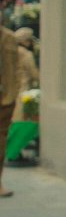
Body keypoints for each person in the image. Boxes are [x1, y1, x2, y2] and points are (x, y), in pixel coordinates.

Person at [0, 12, 20, 197]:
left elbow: (16, 67)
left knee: (1, 142)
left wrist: (14, 93)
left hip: (5, 98)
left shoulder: (9, 38)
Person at [13, 27, 39, 121]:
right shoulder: (26, 54)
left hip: (10, 90)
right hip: (23, 89)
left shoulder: (11, 51)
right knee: (19, 117)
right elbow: (34, 74)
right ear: (26, 41)